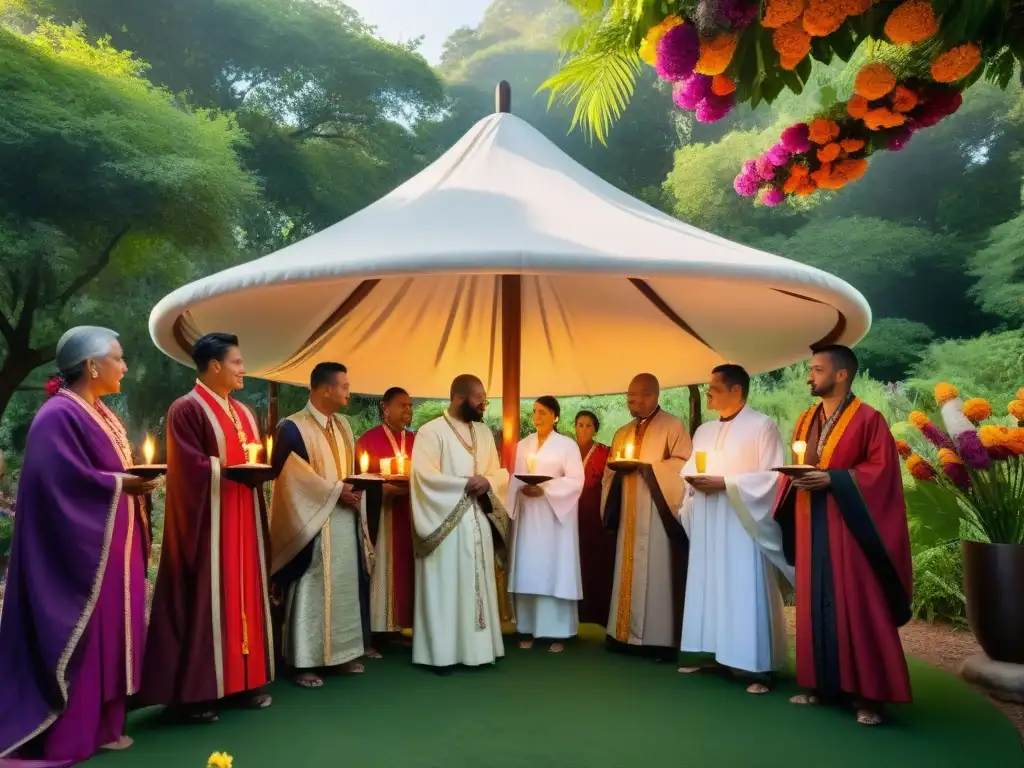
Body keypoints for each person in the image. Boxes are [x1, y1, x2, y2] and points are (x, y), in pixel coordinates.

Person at [0, 326, 160, 763]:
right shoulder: (57, 415)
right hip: (81, 555)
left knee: (114, 636)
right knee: (87, 638)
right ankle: (71, 735)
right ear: (92, 366)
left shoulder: (102, 412)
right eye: (119, 358)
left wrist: (129, 486)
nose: (125, 367)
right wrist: (118, 485)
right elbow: (58, 482)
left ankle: (108, 726)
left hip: (113, 550)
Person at [773, 344, 913, 726]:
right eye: (810, 369)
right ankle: (822, 685)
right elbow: (802, 463)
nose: (809, 376)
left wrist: (833, 479)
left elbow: (882, 473)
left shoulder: (869, 419)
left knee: (858, 603)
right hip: (811, 521)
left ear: (841, 374)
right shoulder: (805, 419)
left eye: (817, 370)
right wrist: (799, 477)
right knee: (814, 602)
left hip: (849, 527)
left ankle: (869, 695)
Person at [140, 333, 274, 723]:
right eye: (236, 362)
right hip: (209, 525)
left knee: (244, 596)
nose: (242, 369)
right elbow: (186, 470)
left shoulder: (245, 412)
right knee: (207, 599)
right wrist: (227, 470)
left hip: (243, 520)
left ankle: (244, 682)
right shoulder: (187, 409)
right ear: (214, 366)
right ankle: (199, 693)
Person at [677, 365, 790, 693]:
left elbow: (772, 478)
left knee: (743, 585)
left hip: (742, 523)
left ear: (736, 390)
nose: (708, 391)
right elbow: (691, 469)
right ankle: (719, 655)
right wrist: (695, 483)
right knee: (712, 585)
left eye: (714, 386)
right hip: (710, 521)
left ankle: (757, 666)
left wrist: (726, 483)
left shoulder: (762, 426)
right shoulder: (704, 431)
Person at [269, 362, 373, 687]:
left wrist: (354, 491)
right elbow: (289, 478)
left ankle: (340, 655)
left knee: (343, 583)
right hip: (310, 521)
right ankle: (304, 661)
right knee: (312, 582)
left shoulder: (343, 425)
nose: (348, 392)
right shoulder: (292, 427)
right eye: (343, 386)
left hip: (343, 518)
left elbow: (351, 469)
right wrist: (333, 492)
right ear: (324, 388)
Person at [409, 374, 510, 674]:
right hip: (446, 526)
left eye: (485, 398)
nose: (484, 404)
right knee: (446, 587)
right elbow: (423, 478)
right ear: (458, 398)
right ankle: (441, 654)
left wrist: (488, 480)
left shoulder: (483, 432)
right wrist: (465, 484)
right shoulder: (430, 433)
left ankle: (481, 650)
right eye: (479, 398)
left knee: (477, 584)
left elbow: (498, 473)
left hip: (478, 520)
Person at [602, 373, 690, 661]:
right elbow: (609, 470)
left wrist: (649, 468)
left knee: (657, 573)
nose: (632, 401)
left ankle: (658, 640)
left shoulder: (673, 426)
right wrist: (617, 470)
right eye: (628, 397)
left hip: (657, 513)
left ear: (653, 396)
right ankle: (622, 634)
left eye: (638, 396)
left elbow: (683, 464)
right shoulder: (623, 432)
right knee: (626, 568)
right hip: (629, 511)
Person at [507, 397, 585, 653]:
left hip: (555, 518)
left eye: (543, 412)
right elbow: (515, 477)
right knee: (529, 567)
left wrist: (546, 489)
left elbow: (575, 480)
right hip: (529, 514)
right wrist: (520, 492)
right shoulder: (523, 444)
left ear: (555, 416)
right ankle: (527, 627)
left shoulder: (567, 445)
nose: (537, 417)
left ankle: (558, 631)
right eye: (534, 412)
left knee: (554, 569)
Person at [355, 387, 416, 654]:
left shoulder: (417, 440)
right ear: (385, 408)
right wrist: (381, 491)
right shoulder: (368, 440)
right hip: (378, 515)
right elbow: (358, 478)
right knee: (379, 568)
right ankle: (375, 631)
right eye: (402, 405)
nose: (408, 411)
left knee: (405, 568)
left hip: (408, 514)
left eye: (410, 406)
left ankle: (396, 627)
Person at [574, 410, 614, 626]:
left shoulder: (604, 452)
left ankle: (597, 612)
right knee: (574, 559)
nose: (584, 429)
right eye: (580, 425)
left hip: (594, 512)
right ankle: (576, 610)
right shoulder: (567, 450)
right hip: (570, 512)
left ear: (595, 428)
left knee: (595, 560)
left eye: (589, 425)